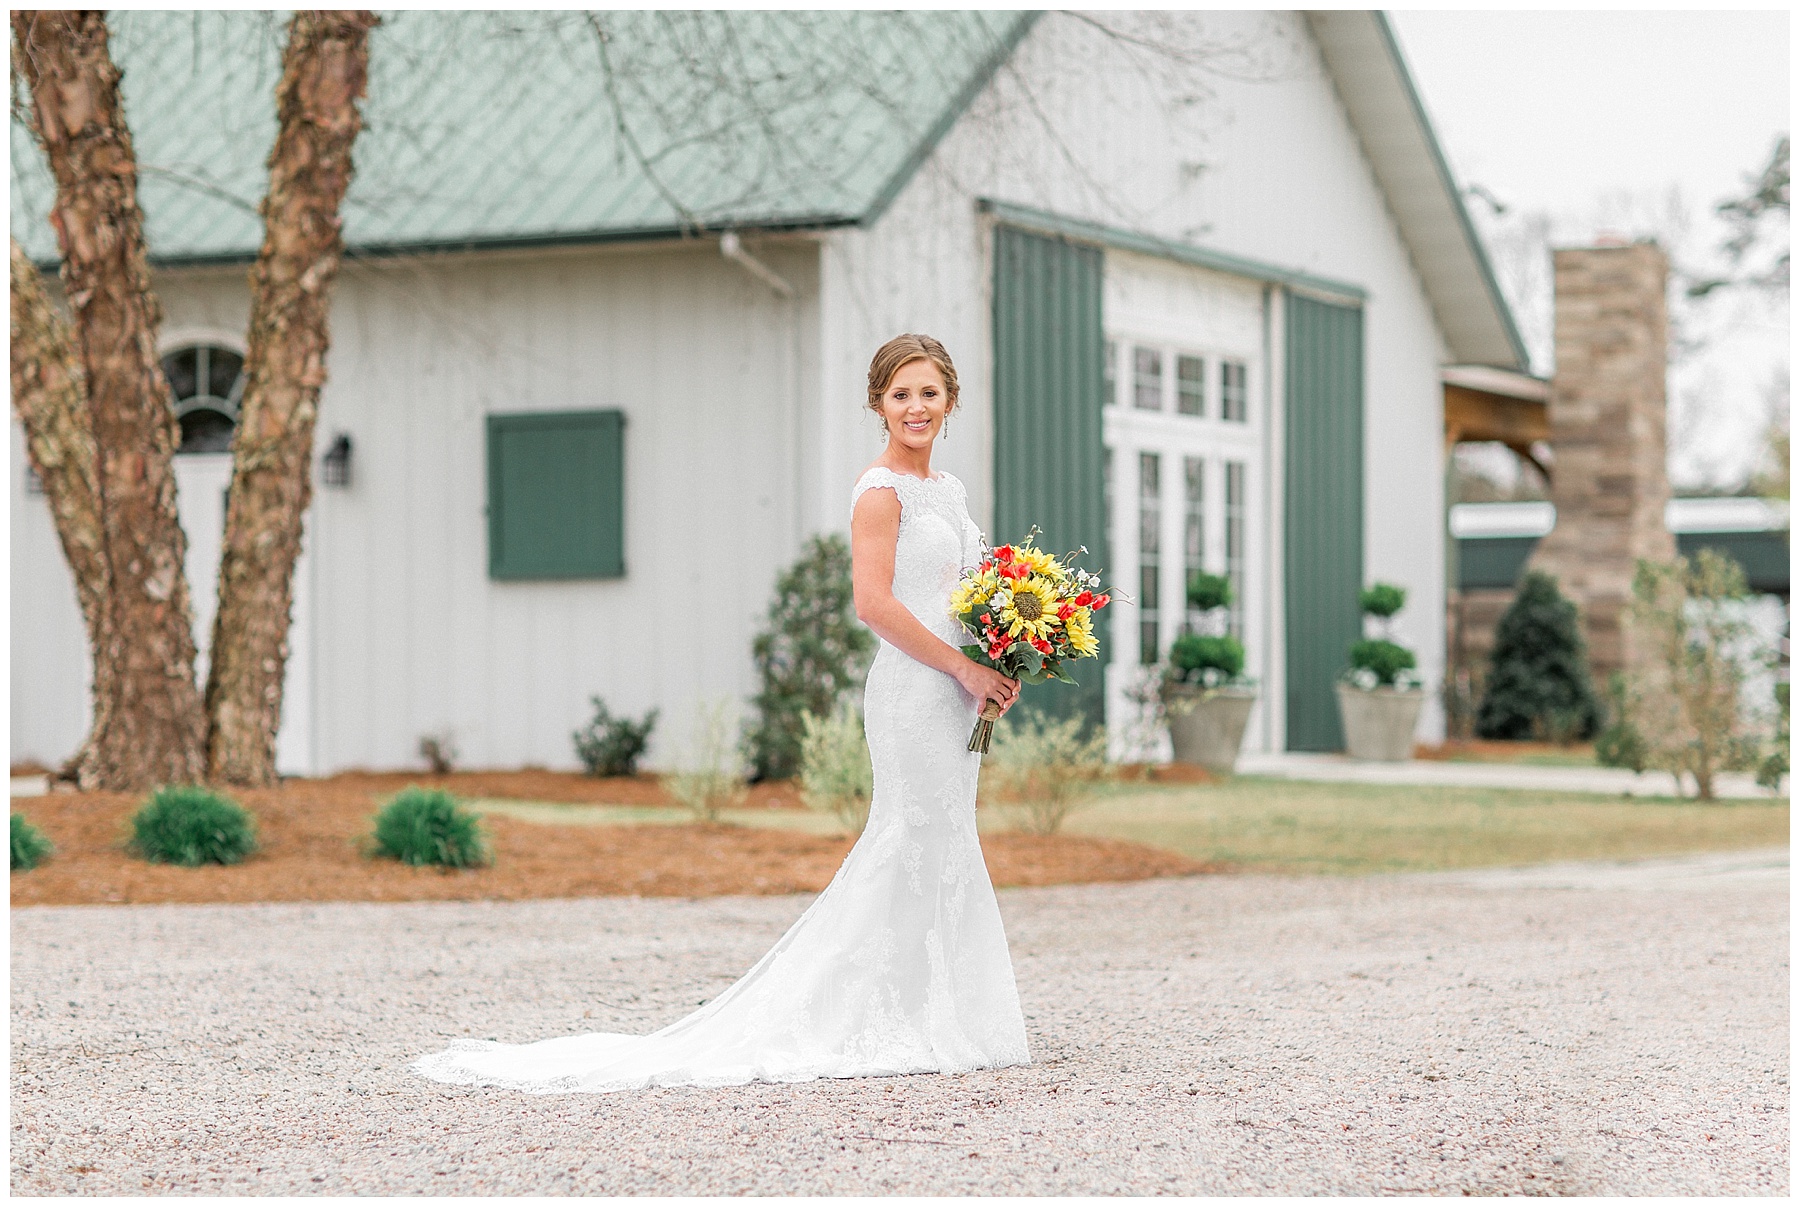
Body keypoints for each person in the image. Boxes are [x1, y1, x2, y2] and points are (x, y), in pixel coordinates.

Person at [411, 333, 1029, 1094]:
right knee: (907, 836)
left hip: (957, 690)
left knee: (946, 838)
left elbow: (966, 593)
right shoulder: (879, 493)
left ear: (951, 400)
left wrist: (1001, 658)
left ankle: (943, 1013)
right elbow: (874, 603)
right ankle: (866, 1017)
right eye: (900, 393)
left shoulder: (953, 492)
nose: (916, 407)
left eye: (929, 392)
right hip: (912, 691)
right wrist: (961, 665)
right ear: (878, 404)